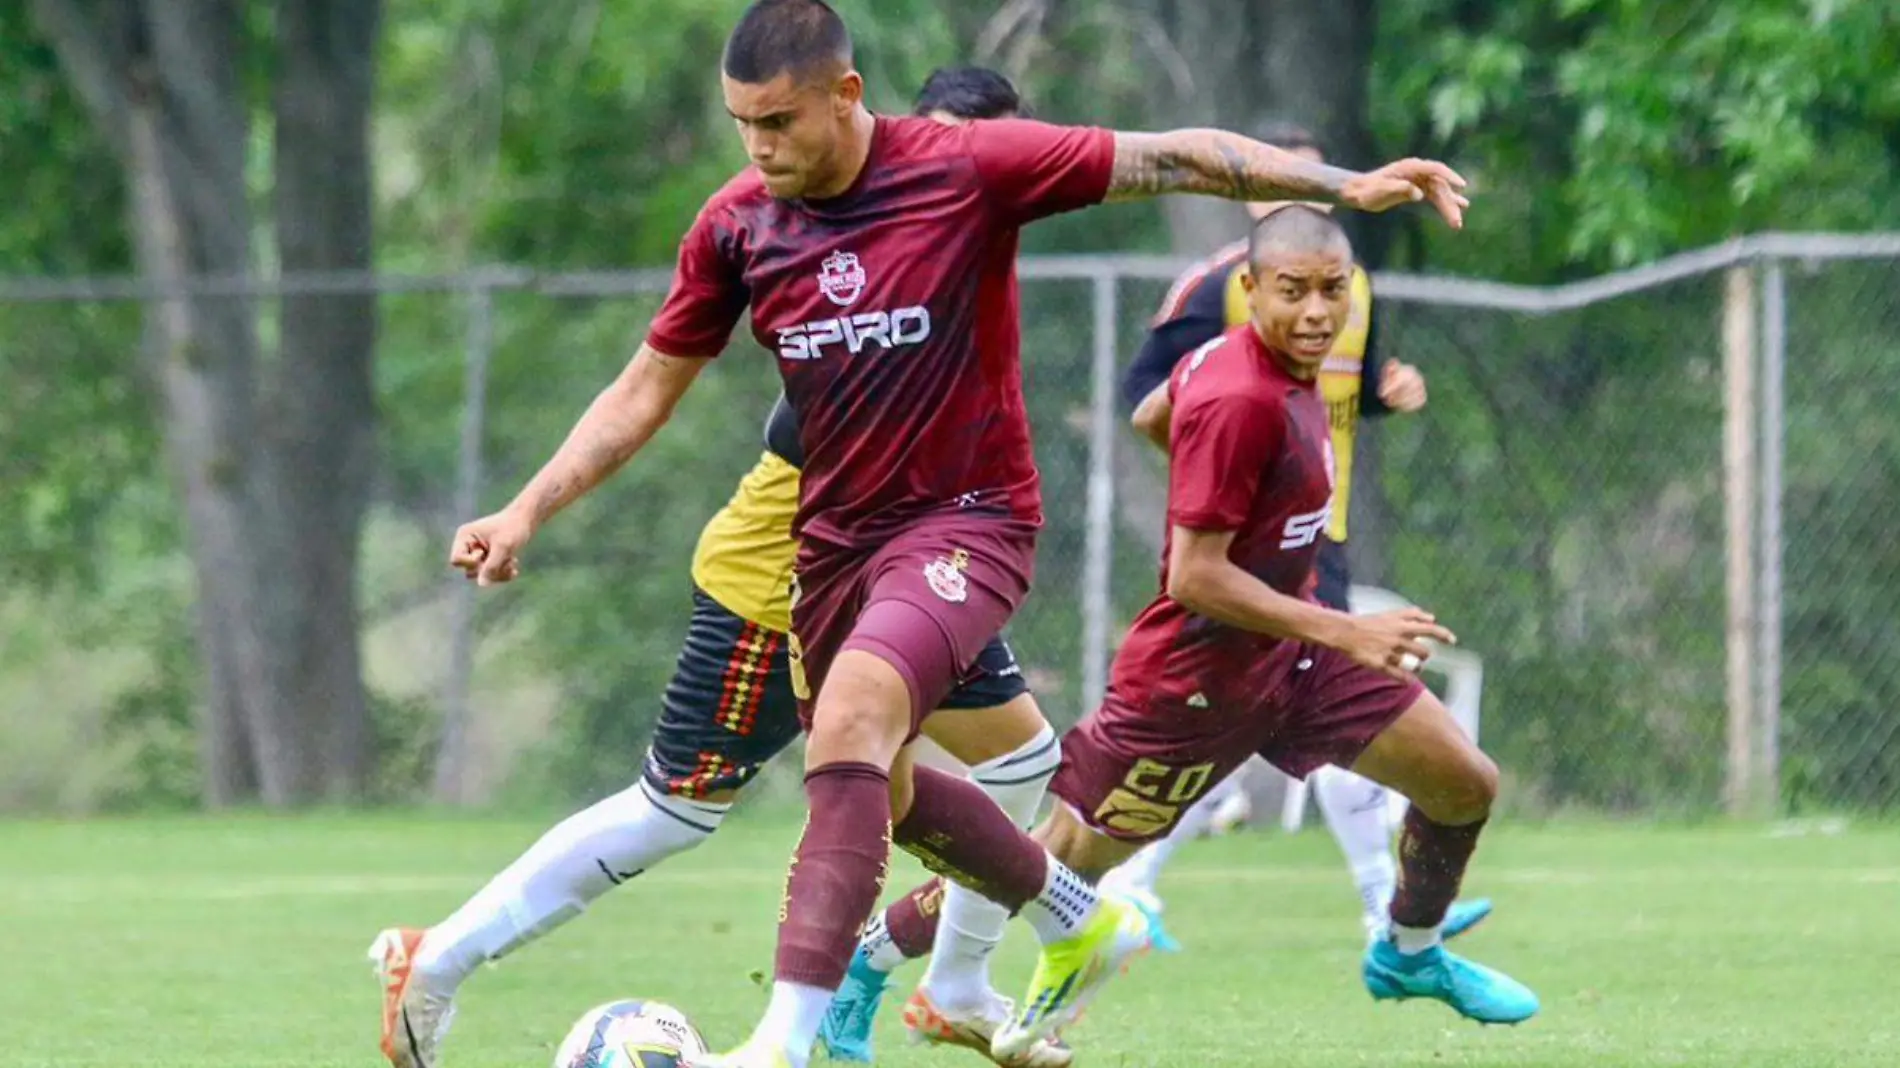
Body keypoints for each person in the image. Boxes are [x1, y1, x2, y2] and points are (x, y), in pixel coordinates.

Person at [434, 2, 1469, 1065]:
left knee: (852, 720)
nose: (760, 145)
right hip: (831, 545)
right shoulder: (738, 223)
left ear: (846, 94)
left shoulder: (966, 168)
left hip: (966, 522)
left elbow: (1172, 159)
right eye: (742, 123)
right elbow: (645, 388)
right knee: (883, 779)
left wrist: (1342, 186)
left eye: (780, 120)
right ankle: (1077, 915)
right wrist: (525, 508)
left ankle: (780, 1045)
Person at [368, 67, 1073, 1068]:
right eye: (968, 152)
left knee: (1017, 759)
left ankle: (954, 982)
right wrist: (526, 508)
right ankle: (437, 958)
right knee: (677, 808)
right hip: (784, 577)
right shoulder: (861, 247)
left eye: (1009, 162)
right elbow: (652, 388)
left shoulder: (956, 256)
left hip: (912, 569)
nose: (989, 178)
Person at [1099, 119, 1492, 948]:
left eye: (1320, 182)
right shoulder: (1217, 294)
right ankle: (1120, 892)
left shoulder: (1347, 286)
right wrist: (1227, 475)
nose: (1317, 310)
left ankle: (1390, 919)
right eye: (1286, 180)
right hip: (1237, 553)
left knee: (1333, 725)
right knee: (1204, 743)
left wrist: (1387, 391)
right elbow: (1148, 400)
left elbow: (1341, 392)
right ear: (1249, 197)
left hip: (1322, 537)